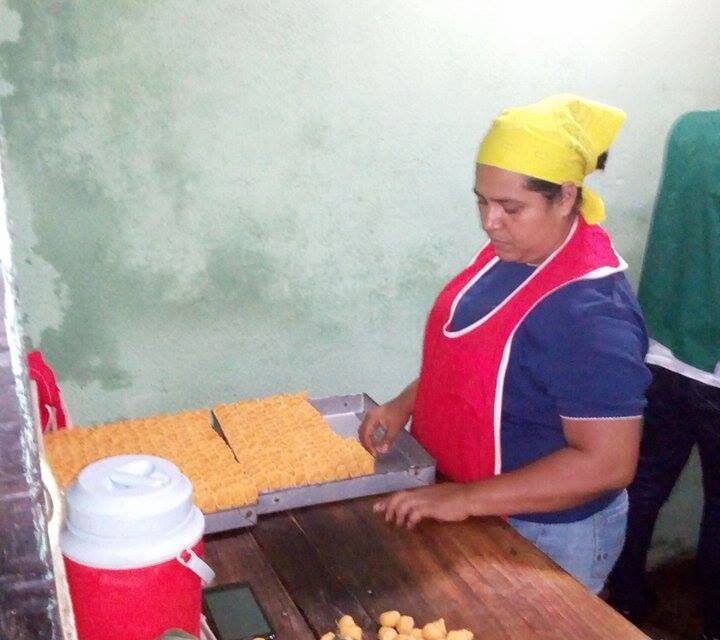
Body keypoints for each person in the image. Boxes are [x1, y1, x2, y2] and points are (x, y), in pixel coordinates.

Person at [359, 94, 652, 594]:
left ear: (564, 196)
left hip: (546, 534)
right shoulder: (513, 251)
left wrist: (465, 499)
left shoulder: (592, 314)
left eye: (509, 207)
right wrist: (405, 403)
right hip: (477, 503)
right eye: (481, 200)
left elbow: (608, 464)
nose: (489, 221)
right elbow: (478, 355)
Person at [606, 111, 720, 640]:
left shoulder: (690, 129)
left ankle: (624, 598)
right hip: (713, 362)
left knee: (645, 483)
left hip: (660, 347)